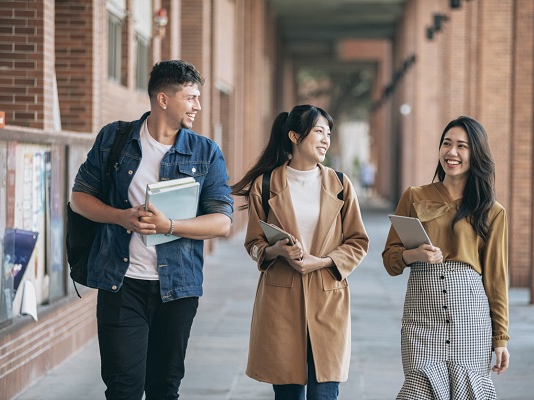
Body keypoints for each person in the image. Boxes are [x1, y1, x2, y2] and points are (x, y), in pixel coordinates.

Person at [70, 60, 233, 400]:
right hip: (121, 285)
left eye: (198, 98)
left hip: (178, 290)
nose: (198, 106)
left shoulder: (205, 152)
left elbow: (222, 221)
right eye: (190, 98)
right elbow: (79, 199)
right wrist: (121, 217)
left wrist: (169, 225)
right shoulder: (114, 139)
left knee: (164, 388)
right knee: (122, 389)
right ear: (163, 99)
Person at [231, 105, 369, 400]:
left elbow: (358, 241)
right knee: (288, 395)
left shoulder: (341, 184)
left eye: (328, 133)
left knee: (325, 393)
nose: (325, 140)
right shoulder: (265, 186)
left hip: (327, 297)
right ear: (295, 136)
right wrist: (276, 250)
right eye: (319, 131)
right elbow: (254, 244)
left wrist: (323, 261)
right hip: (281, 303)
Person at [382, 116, 509, 399]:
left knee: (468, 391)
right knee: (418, 387)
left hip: (471, 318)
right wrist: (412, 254)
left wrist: (500, 338)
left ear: (476, 154)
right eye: (446, 144)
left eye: (462, 146)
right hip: (421, 317)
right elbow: (389, 259)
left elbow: (496, 279)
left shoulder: (493, 211)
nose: (451, 153)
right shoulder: (414, 196)